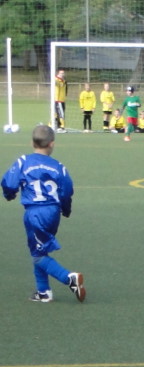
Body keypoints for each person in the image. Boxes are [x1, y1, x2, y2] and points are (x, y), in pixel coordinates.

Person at [2, 124, 86, 303]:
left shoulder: (23, 161)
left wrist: (9, 194)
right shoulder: (59, 167)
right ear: (52, 144)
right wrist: (66, 209)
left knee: (38, 255)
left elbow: (8, 183)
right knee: (38, 249)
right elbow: (67, 191)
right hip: (53, 213)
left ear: (32, 142)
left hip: (35, 214)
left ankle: (69, 278)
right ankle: (44, 292)